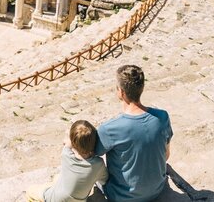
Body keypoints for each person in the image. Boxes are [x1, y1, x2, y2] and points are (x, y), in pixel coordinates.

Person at [95, 65, 173, 202]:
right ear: (142, 88)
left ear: (121, 92)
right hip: (157, 189)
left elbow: (92, 157)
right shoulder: (162, 117)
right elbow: (166, 155)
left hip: (122, 196)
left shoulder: (109, 129)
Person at [27, 120, 108, 202]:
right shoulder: (98, 165)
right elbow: (104, 180)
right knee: (58, 178)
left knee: (30, 190)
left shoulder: (66, 154)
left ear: (72, 142)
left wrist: (70, 133)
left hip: (53, 199)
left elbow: (66, 142)